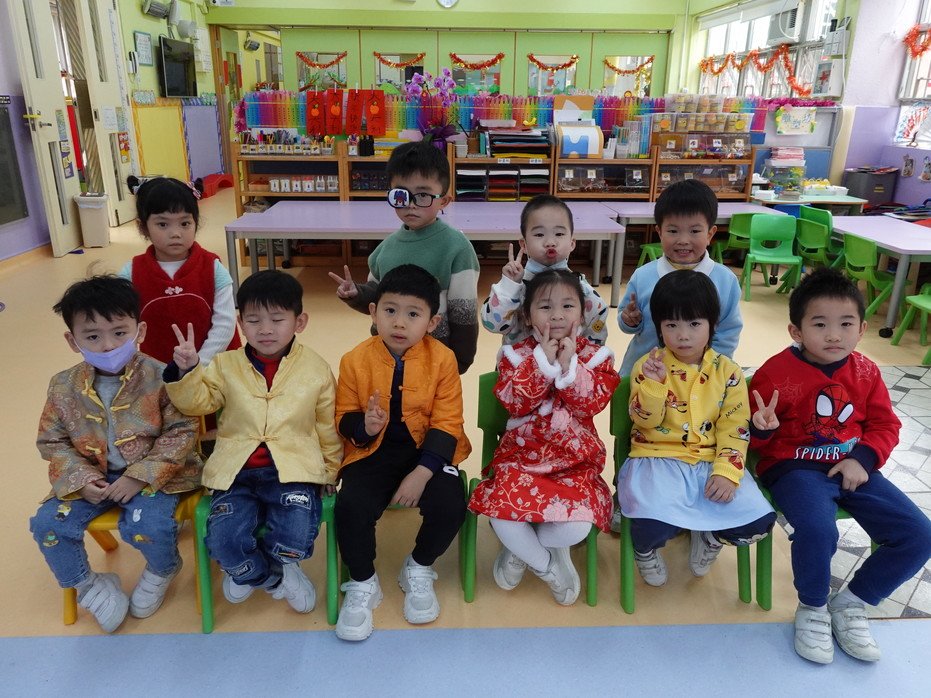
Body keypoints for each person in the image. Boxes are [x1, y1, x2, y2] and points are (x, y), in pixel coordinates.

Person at [750, 267, 931, 664]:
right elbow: (749, 439)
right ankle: (813, 606)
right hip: (795, 468)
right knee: (818, 529)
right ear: (796, 331)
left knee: (919, 534)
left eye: (846, 324)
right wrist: (760, 428)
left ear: (862, 328)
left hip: (854, 467)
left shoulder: (866, 371)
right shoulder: (773, 374)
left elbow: (885, 425)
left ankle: (851, 603)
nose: (834, 335)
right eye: (820, 324)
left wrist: (862, 459)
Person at [29, 275, 202, 633]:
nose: (108, 345)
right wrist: (82, 479)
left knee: (146, 525)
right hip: (92, 479)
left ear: (140, 331)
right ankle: (88, 586)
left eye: (119, 333)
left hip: (153, 479)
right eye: (92, 336)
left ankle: (163, 568)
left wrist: (139, 476)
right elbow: (52, 441)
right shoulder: (62, 385)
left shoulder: (161, 376)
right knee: (47, 525)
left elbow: (183, 432)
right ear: (72, 340)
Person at [164, 270, 342, 614]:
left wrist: (330, 471)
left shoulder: (316, 369)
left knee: (296, 533)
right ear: (240, 324)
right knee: (224, 541)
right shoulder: (224, 364)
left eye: (277, 319)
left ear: (300, 322)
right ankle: (267, 576)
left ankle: (280, 564)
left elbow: (326, 426)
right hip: (236, 474)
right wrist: (188, 371)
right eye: (254, 320)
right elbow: (197, 403)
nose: (266, 329)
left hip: (294, 470)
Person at [334, 264, 471, 642]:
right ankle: (363, 581)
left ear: (432, 322)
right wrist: (366, 427)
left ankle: (419, 566)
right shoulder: (354, 359)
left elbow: (448, 421)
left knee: (451, 504)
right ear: (373, 312)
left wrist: (423, 473)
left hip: (427, 453)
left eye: (413, 314)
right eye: (390, 310)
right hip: (372, 452)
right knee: (351, 506)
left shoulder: (443, 359)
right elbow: (343, 416)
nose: (399, 322)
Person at [469, 269, 618, 606]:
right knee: (502, 516)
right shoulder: (515, 355)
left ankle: (524, 547)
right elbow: (514, 402)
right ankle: (548, 565)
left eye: (567, 306)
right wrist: (543, 363)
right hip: (521, 461)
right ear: (527, 315)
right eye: (545, 307)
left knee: (578, 526)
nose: (557, 315)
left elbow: (591, 403)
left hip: (574, 464)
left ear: (582, 314)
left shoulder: (596, 357)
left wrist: (568, 367)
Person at [618, 270, 774, 588]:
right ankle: (645, 551)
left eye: (694, 324)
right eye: (671, 325)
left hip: (711, 462)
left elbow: (735, 428)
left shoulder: (728, 371)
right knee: (651, 524)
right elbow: (643, 421)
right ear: (659, 327)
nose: (683, 336)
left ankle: (710, 537)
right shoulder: (648, 365)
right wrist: (654, 385)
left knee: (757, 522)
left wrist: (727, 472)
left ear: (712, 325)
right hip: (656, 459)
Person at [329, 140, 480, 374]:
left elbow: (464, 311)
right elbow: (377, 298)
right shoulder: (385, 248)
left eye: (423, 195)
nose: (410, 204)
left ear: (444, 200)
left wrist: (459, 361)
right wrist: (356, 293)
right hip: (386, 357)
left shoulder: (457, 248)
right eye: (401, 195)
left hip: (434, 362)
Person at [617, 179, 742, 377]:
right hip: (644, 373)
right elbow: (626, 321)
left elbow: (728, 333)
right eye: (673, 231)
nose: (683, 240)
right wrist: (630, 320)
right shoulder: (643, 276)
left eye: (695, 231)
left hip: (697, 380)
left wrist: (712, 372)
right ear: (659, 232)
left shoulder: (725, 281)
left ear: (710, 234)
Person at [120, 176, 240, 366]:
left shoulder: (213, 267)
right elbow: (121, 325)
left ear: (196, 223)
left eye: (185, 223)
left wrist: (198, 364)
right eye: (163, 224)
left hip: (214, 367)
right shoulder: (130, 274)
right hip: (158, 369)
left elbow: (225, 324)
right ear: (142, 227)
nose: (176, 233)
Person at [481, 194, 608, 345]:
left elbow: (597, 329)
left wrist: (581, 355)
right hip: (519, 359)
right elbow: (492, 324)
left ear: (572, 243)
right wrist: (508, 286)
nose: (550, 242)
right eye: (539, 234)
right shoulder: (515, 286)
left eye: (559, 234)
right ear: (524, 244)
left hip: (570, 359)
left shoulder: (580, 287)